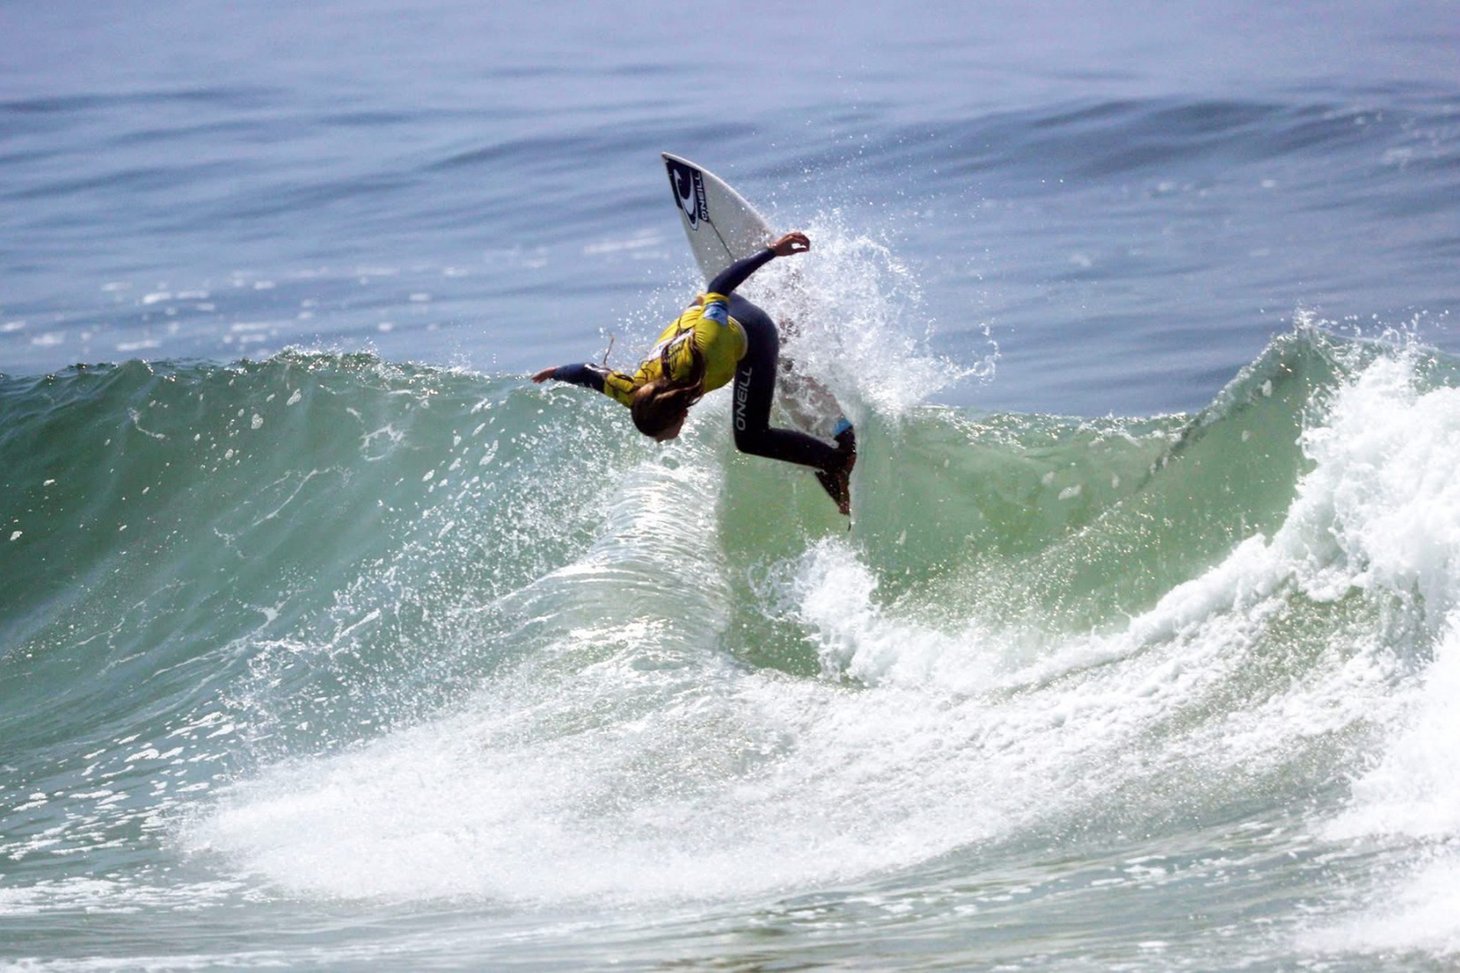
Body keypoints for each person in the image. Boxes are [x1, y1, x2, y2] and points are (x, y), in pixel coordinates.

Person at [532, 231, 856, 513]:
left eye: (660, 433)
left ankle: (837, 461)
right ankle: (782, 365)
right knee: (744, 415)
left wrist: (772, 251)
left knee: (750, 437)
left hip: (750, 331)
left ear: (678, 415)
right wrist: (555, 372)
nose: (659, 441)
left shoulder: (705, 349)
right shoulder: (635, 392)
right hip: (703, 320)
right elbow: (588, 374)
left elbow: (719, 287)